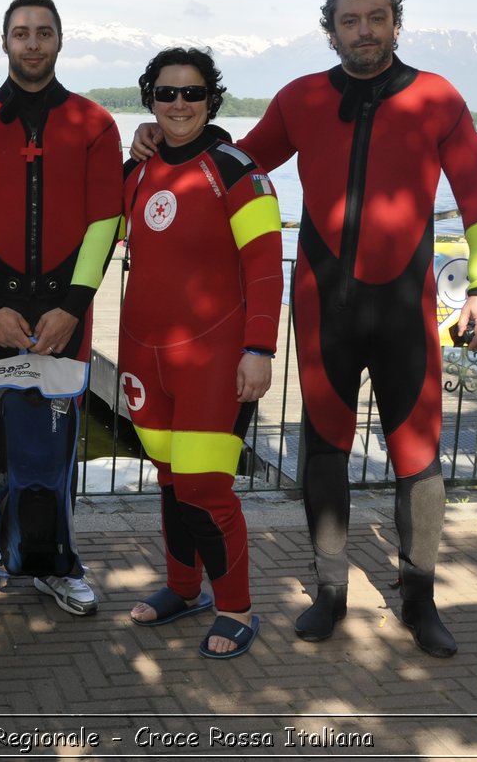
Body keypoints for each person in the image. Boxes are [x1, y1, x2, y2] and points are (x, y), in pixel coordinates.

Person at [133, 0, 477, 657]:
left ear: (397, 23)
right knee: (325, 449)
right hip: (323, 306)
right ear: (329, 28)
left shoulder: (436, 99)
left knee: (417, 457)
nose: (363, 29)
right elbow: (229, 164)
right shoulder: (302, 98)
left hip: (403, 311)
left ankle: (419, 598)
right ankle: (330, 592)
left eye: (377, 17)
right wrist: (157, 136)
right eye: (349, 19)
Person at [0, 0, 124, 616]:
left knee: (58, 430)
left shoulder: (95, 123)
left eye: (44, 32)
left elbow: (105, 219)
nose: (33, 43)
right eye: (22, 32)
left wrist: (73, 303)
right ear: (6, 41)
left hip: (64, 312)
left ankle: (55, 561)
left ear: (60, 41)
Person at [119, 48, 284, 659]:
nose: (178, 105)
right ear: (150, 100)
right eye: (165, 94)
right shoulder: (136, 169)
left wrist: (259, 349)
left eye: (191, 93)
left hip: (214, 361)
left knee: (205, 487)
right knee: (169, 481)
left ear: (211, 98)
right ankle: (184, 589)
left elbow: (266, 269)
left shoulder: (236, 169)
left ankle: (236, 606)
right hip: (144, 357)